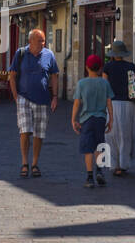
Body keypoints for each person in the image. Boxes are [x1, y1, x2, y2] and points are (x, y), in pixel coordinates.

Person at [8, 29, 60, 178]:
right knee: (25, 130)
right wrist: (15, 97)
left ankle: (35, 163)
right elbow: (12, 76)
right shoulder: (21, 53)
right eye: (39, 40)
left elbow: (55, 76)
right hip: (23, 98)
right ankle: (25, 162)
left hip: (43, 99)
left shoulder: (49, 55)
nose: (42, 43)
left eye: (43, 40)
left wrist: (55, 96)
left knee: (39, 133)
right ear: (30, 41)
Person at [72, 54, 114, 189]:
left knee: (88, 148)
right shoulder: (105, 83)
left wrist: (73, 119)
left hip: (86, 119)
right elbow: (109, 102)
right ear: (100, 68)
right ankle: (100, 171)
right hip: (101, 118)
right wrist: (111, 119)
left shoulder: (81, 83)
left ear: (86, 67)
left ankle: (90, 177)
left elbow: (77, 103)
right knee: (100, 145)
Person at [102, 40, 135, 176]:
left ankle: (114, 164)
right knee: (126, 135)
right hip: (128, 104)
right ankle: (124, 164)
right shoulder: (131, 67)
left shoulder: (107, 67)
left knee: (111, 135)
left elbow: (104, 87)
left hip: (112, 104)